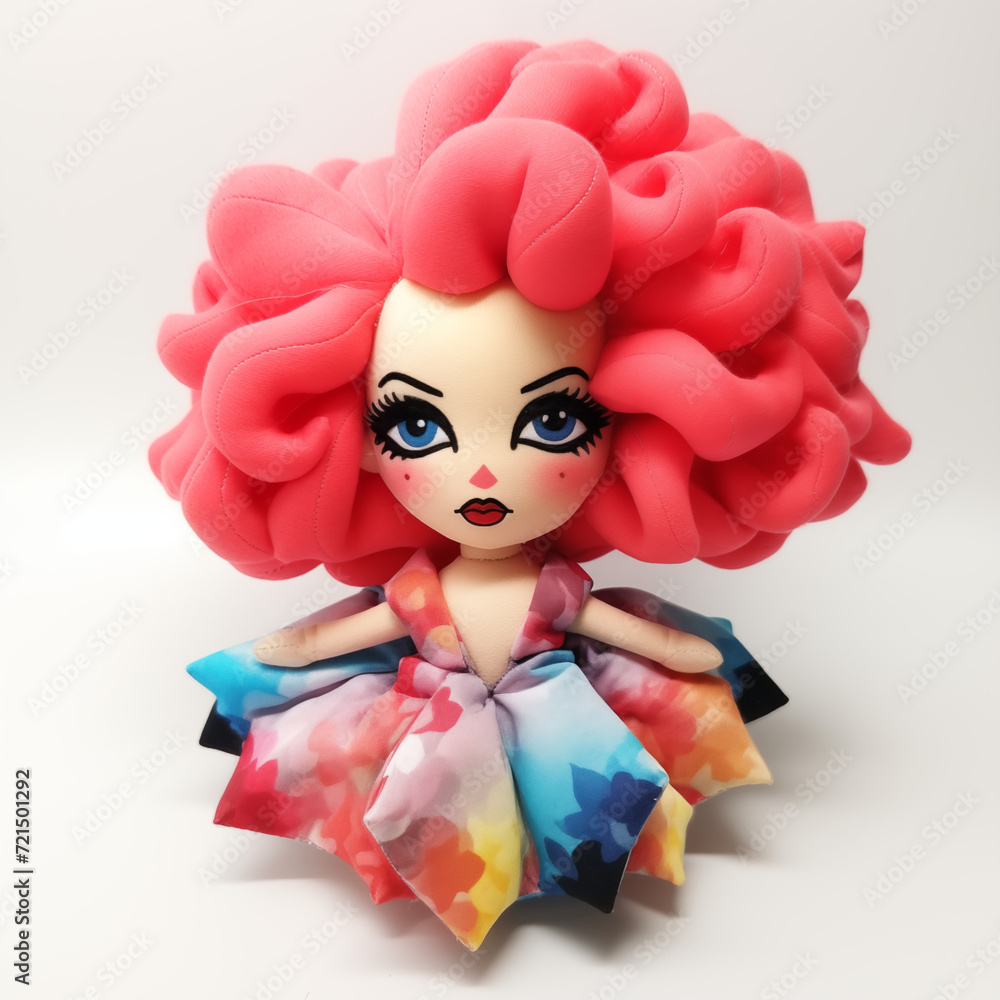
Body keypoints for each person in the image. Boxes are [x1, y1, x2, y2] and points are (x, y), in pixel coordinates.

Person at [151, 39, 910, 950]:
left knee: (577, 803)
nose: (481, 475)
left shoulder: (555, 585)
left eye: (553, 423)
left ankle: (558, 869)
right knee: (414, 795)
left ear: (637, 425)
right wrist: (290, 649)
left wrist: (681, 651)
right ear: (355, 442)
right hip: (436, 716)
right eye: (414, 427)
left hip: (555, 719)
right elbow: (349, 632)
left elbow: (614, 628)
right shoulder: (421, 586)